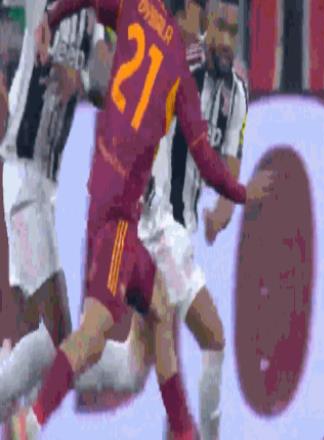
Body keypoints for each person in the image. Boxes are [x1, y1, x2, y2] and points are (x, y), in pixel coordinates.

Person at [27, 1, 272, 439]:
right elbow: (206, 158)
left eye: (230, 31)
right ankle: (30, 421)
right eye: (210, 21)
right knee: (114, 332)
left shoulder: (140, 10)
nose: (214, 35)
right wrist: (242, 193)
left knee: (150, 326)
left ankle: (180, 430)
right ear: (192, 12)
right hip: (137, 218)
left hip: (124, 202)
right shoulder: (181, 66)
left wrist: (51, 17)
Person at [76, 2, 247, 439]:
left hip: (178, 230)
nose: (225, 41)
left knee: (135, 367)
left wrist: (222, 212)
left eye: (234, 32)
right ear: (205, 26)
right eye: (219, 28)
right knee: (212, 337)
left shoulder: (237, 95)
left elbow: (231, 160)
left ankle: (44, 362)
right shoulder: (178, 64)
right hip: (155, 224)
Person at [0, 0, 110, 422]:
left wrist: (83, 78)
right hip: (22, 172)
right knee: (63, 336)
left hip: (46, 185)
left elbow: (104, 86)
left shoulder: (92, 19)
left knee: (46, 335)